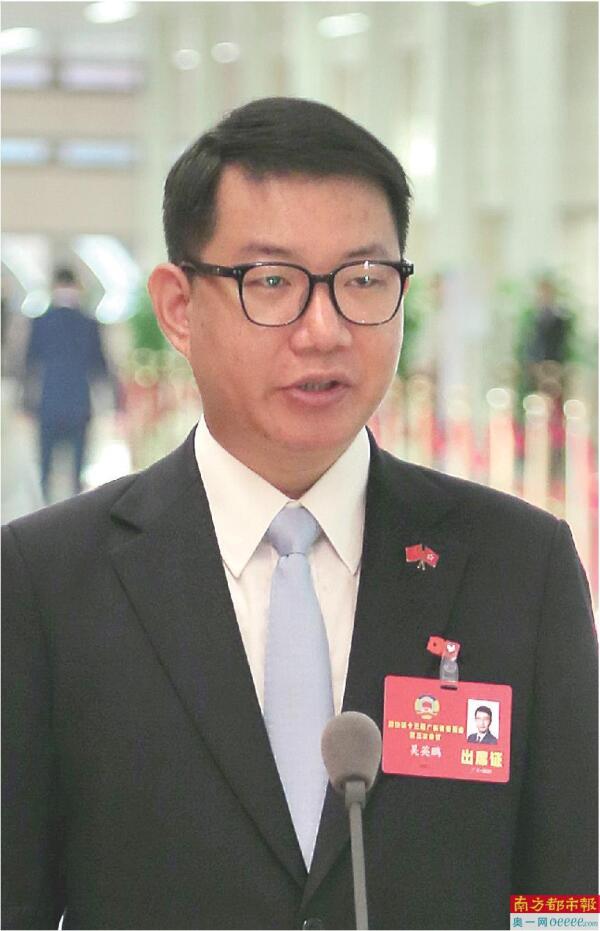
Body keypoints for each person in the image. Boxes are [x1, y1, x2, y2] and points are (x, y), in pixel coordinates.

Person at [2, 97, 597, 931]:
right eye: (273, 282)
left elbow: (566, 897)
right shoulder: (46, 580)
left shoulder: (520, 567)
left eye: (363, 280)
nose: (324, 330)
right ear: (178, 306)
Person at [22, 267, 109, 501]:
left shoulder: (41, 322)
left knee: (46, 467)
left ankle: (45, 510)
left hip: (48, 402)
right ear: (77, 287)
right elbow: (100, 366)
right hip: (79, 403)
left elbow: (30, 365)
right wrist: (111, 402)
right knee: (77, 468)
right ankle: (74, 511)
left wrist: (26, 403)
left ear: (54, 287)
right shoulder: (88, 323)